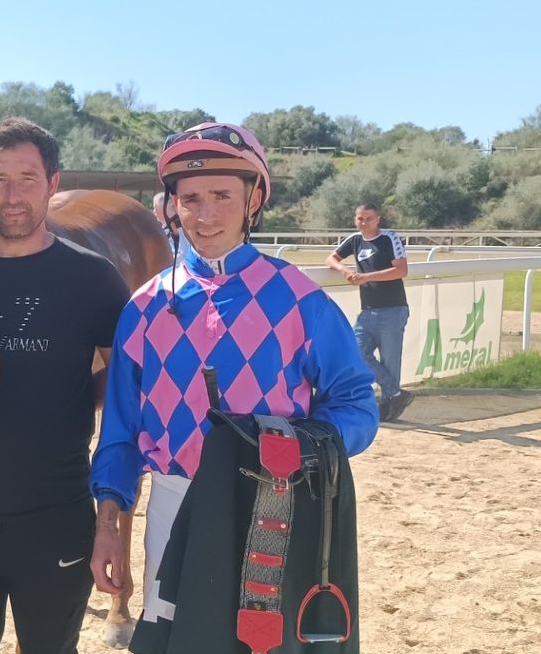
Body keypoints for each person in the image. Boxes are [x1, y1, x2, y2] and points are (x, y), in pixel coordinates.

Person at [88, 122, 378, 640]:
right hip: (174, 502)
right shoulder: (145, 307)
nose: (205, 214)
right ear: (172, 206)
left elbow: (356, 403)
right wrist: (107, 522)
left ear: (254, 198)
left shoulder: (300, 299)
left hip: (276, 503)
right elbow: (119, 433)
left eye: (222, 195)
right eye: (191, 198)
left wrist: (302, 450)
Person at [0, 118, 130, 653]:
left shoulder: (92, 276)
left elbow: (128, 381)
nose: (13, 195)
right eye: (0, 179)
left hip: (56, 513)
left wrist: (76, 396)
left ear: (53, 182)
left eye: (27, 179)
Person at [326, 204, 414, 421]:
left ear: (378, 219)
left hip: (393, 309)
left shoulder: (389, 238)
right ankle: (395, 394)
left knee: (390, 361)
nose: (363, 223)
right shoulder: (355, 240)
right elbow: (331, 259)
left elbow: (401, 270)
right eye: (360, 219)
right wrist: (346, 271)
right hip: (368, 310)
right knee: (357, 351)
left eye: (368, 218)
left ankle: (389, 404)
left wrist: (366, 277)